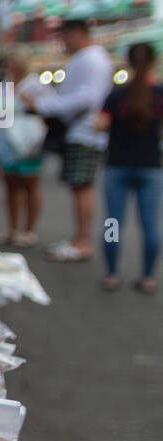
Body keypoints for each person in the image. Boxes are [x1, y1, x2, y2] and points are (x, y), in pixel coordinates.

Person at [20, 19, 114, 262]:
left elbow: (86, 98)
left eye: (64, 36)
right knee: (78, 186)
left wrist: (43, 104)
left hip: (84, 133)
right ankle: (79, 239)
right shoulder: (88, 58)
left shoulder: (92, 59)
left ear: (77, 33)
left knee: (81, 186)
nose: (62, 41)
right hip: (80, 132)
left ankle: (82, 241)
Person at [96, 42, 163, 293]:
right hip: (151, 167)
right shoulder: (159, 94)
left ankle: (112, 274)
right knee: (151, 226)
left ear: (128, 61)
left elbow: (98, 125)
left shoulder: (116, 96)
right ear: (154, 61)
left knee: (113, 223)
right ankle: (147, 277)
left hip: (117, 166)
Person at [0, 49, 44, 247]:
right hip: (6, 141)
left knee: (30, 185)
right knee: (11, 186)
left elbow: (48, 107)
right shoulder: (5, 83)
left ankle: (29, 230)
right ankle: (13, 228)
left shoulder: (34, 83)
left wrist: (31, 103)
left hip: (28, 140)